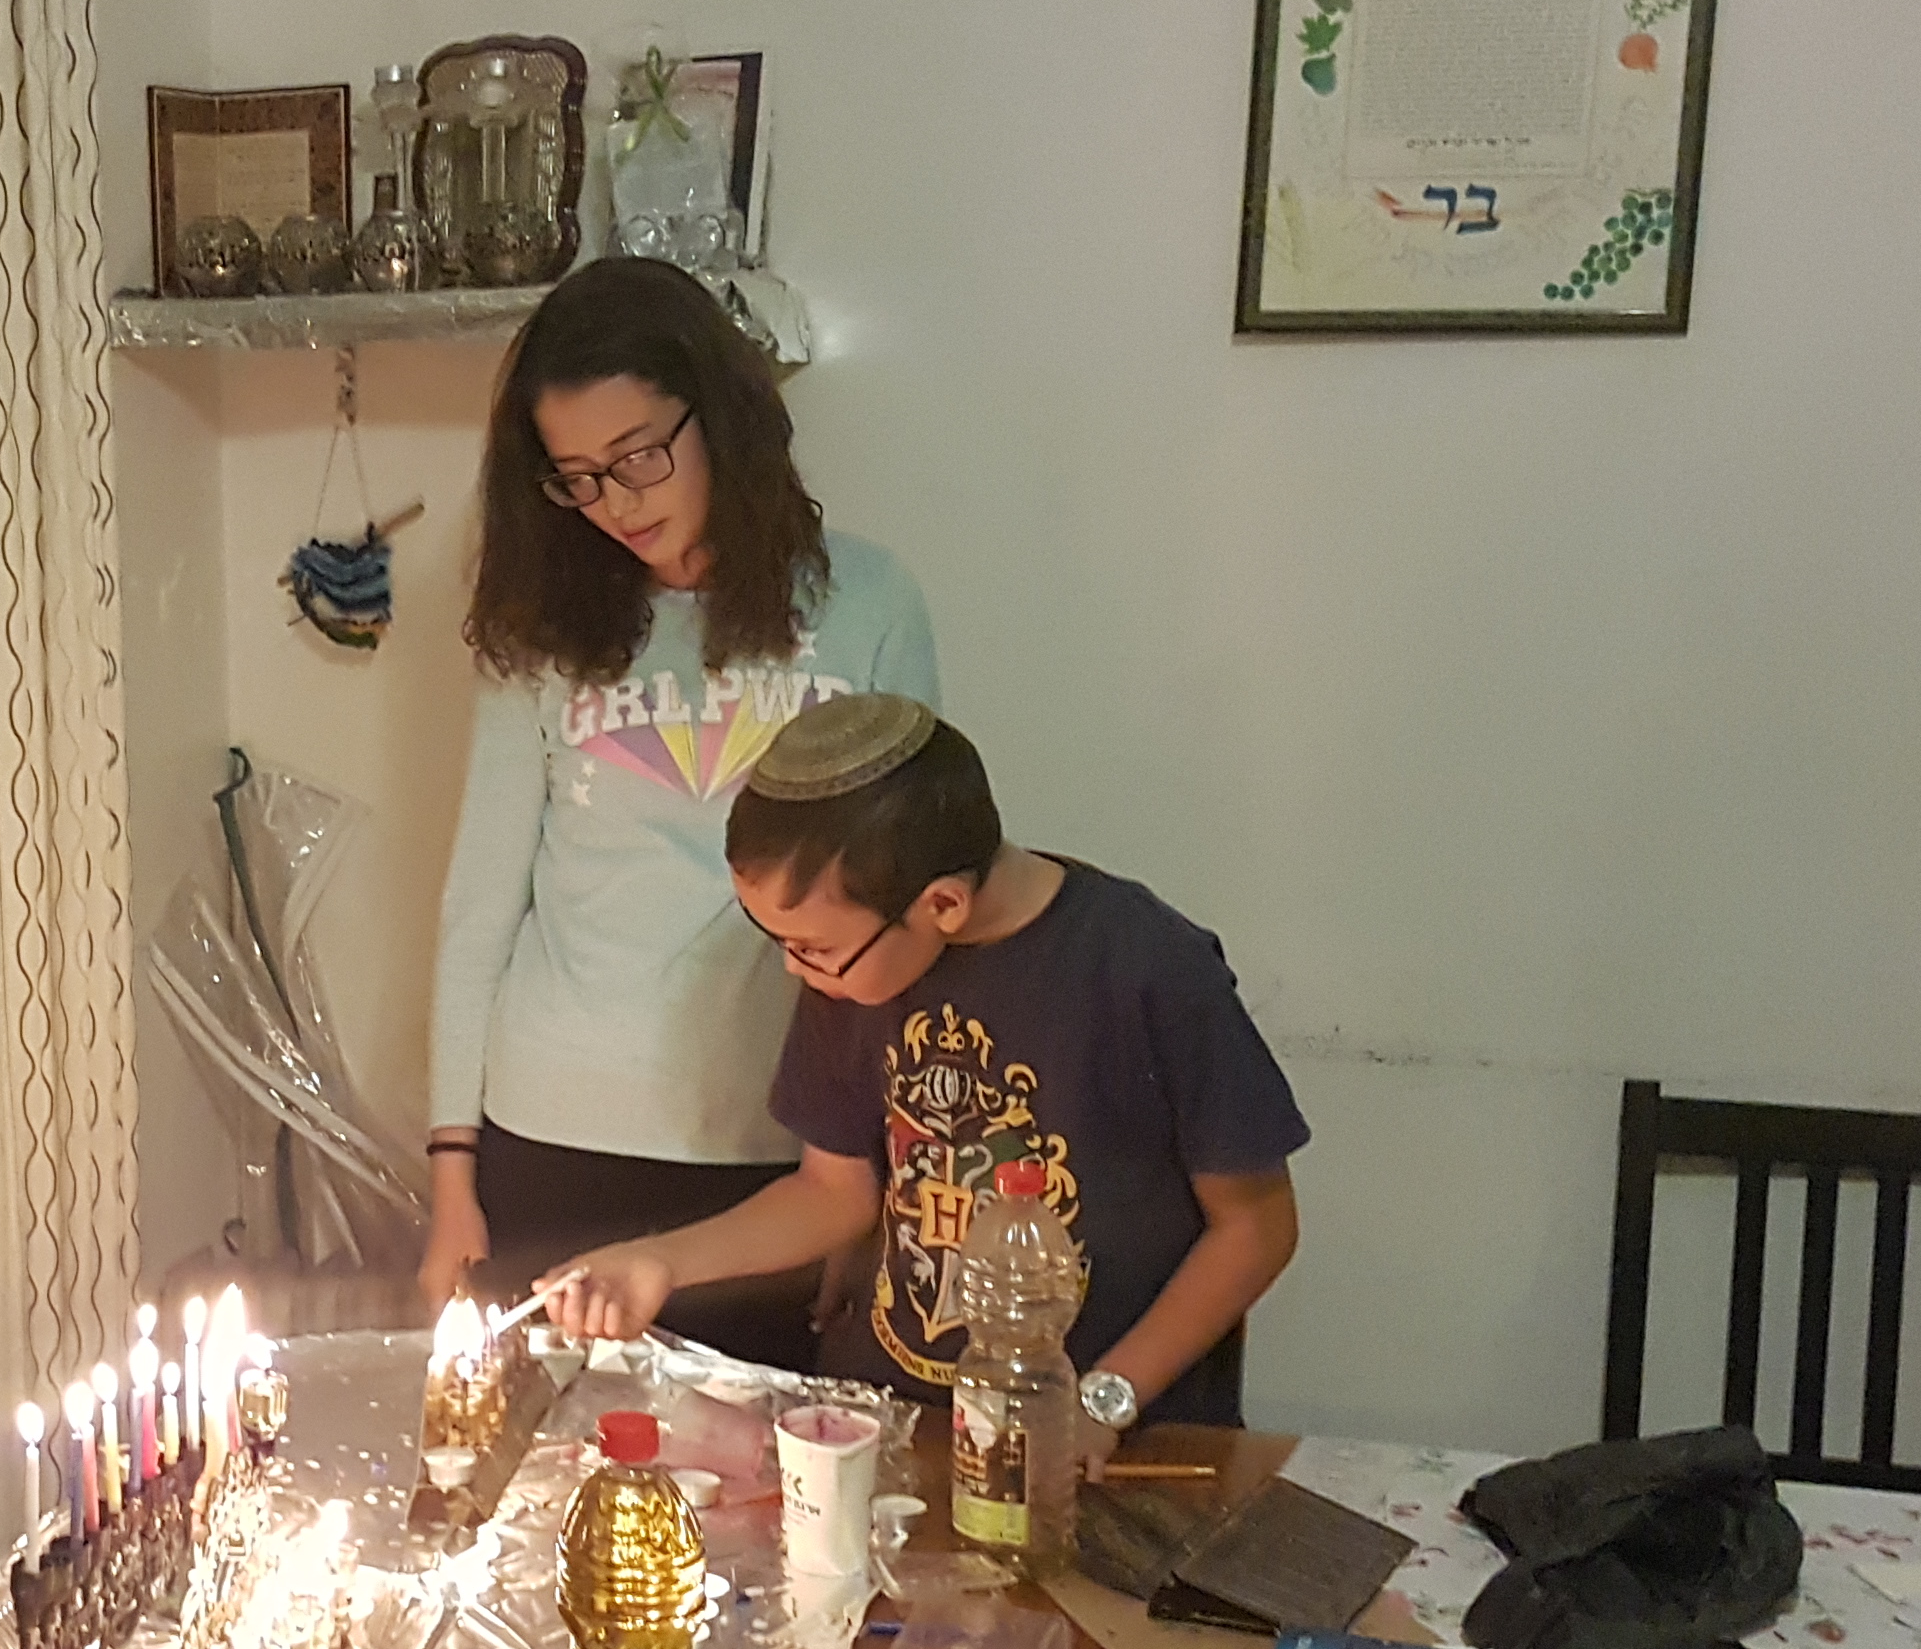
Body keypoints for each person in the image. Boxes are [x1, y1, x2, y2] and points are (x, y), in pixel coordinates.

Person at [422, 258, 940, 1370]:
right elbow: (479, 909)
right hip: (552, 1136)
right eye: (576, 478)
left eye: (639, 456)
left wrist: (881, 1192)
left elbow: (912, 910)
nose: (617, 503)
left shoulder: (870, 603)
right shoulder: (537, 631)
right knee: (549, 1465)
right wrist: (452, 1176)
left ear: (721, 414)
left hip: (782, 1156)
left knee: (755, 1473)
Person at [544, 693, 1305, 1444]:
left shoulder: (1145, 967)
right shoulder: (857, 970)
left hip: (1114, 1437)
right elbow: (832, 1191)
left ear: (942, 904)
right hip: (904, 1421)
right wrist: (656, 1260)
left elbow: (1256, 1227)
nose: (793, 968)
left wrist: (1105, 1401)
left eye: (812, 947)